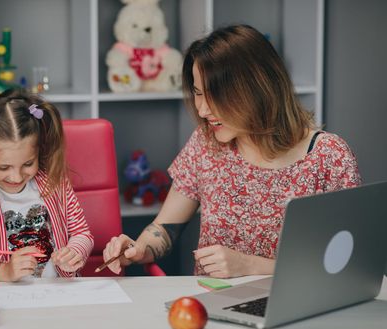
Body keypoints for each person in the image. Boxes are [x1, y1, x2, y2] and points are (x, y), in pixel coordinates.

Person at [102, 25, 361, 278]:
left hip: (296, 309)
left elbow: (345, 262)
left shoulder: (329, 156)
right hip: (208, 307)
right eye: (198, 93)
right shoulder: (205, 144)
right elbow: (165, 228)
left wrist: (250, 266)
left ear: (257, 89)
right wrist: (139, 249)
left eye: (214, 95)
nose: (202, 110)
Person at [0, 88, 94, 282]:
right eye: (4, 167)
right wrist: (1, 271)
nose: (16, 176)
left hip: (56, 293)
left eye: (28, 164)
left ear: (38, 152)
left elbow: (82, 233)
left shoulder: (54, 181)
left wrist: (75, 251)